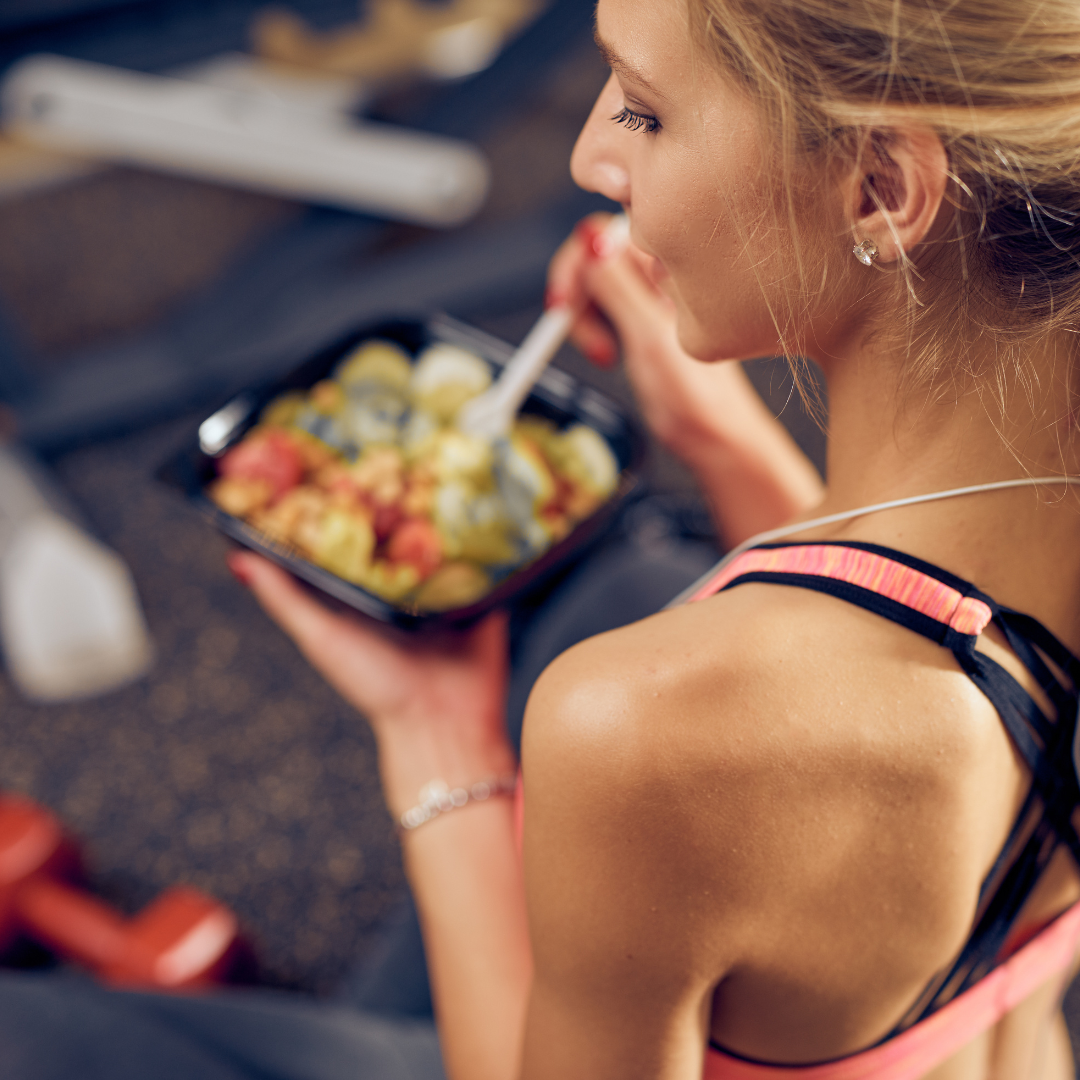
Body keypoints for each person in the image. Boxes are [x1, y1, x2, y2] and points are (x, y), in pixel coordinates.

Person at [228, 0, 1080, 1076]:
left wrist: (436, 744)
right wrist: (726, 448)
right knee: (621, 583)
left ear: (880, 188)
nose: (590, 155)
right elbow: (955, 648)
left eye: (642, 110)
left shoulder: (637, 729)